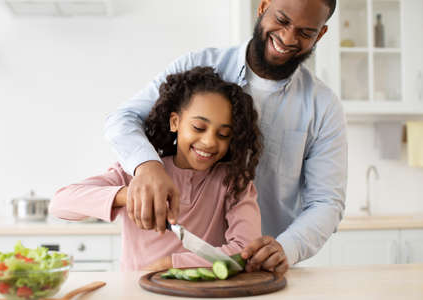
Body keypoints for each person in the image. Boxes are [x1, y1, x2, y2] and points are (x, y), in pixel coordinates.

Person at [104, 0, 348, 278]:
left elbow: (326, 202)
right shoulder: (198, 66)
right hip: (186, 270)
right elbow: (122, 119)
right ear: (263, 6)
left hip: (262, 272)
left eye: (306, 33)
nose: (288, 38)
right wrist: (148, 167)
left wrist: (286, 248)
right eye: (281, 20)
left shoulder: (323, 106)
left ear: (321, 34)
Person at [50, 67, 263, 271]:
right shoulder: (137, 173)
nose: (209, 142)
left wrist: (173, 264)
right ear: (175, 122)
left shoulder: (235, 182)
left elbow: (245, 250)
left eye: (223, 134)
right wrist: (129, 195)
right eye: (199, 127)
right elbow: (60, 203)